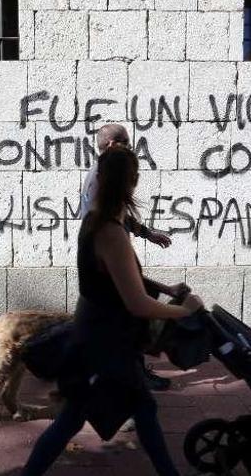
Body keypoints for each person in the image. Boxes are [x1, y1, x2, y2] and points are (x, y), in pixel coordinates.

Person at [22, 147, 204, 476]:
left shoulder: (97, 220)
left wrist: (164, 290)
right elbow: (135, 302)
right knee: (83, 417)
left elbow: (118, 278)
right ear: (132, 182)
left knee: (94, 415)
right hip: (105, 344)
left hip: (96, 336)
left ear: (100, 178)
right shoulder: (111, 232)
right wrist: (183, 311)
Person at [81, 124, 175, 391]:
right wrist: (182, 310)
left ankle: (126, 373)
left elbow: (118, 214)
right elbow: (138, 301)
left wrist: (147, 233)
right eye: (125, 142)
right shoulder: (103, 181)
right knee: (129, 321)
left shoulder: (101, 177)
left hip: (106, 260)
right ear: (112, 145)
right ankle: (132, 375)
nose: (130, 147)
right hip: (108, 259)